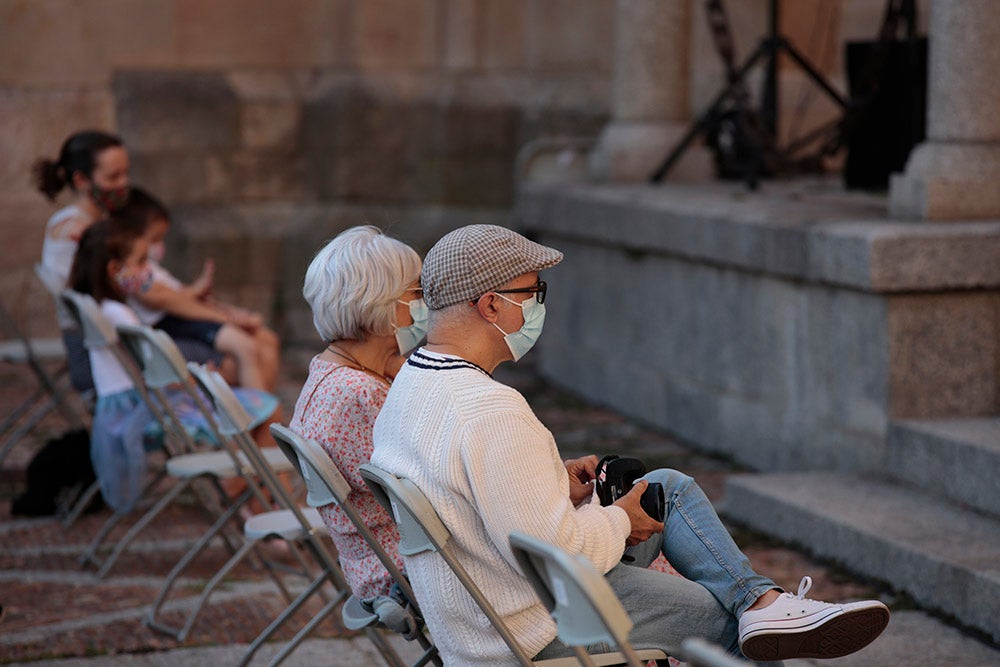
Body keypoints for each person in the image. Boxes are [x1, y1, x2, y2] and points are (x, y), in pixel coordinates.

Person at [370, 224, 890, 665]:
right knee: (725, 621)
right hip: (531, 628)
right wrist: (623, 520)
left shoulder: (407, 392)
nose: (537, 309)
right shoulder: (490, 410)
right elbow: (561, 557)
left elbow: (486, 509)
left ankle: (762, 600)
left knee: (667, 487)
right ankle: (759, 614)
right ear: (491, 305)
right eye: (534, 294)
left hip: (476, 619)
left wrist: (560, 491)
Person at [67, 217, 279, 513]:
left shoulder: (101, 306)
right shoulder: (122, 316)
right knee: (269, 408)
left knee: (257, 406)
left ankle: (255, 495)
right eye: (141, 262)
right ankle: (247, 492)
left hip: (123, 409)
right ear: (115, 270)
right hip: (148, 411)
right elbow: (164, 379)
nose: (147, 271)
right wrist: (204, 378)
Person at [289, 225, 427, 599]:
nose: (423, 305)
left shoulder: (331, 372)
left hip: (371, 564)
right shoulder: (361, 393)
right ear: (380, 302)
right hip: (408, 568)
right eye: (416, 293)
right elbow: (433, 486)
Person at [119, 187, 281, 391]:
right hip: (178, 329)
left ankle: (266, 412)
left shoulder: (146, 268)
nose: (157, 247)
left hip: (189, 324)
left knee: (267, 340)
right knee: (247, 349)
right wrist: (227, 317)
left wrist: (226, 311)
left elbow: (177, 296)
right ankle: (260, 414)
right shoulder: (134, 273)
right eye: (155, 238)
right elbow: (170, 300)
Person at [35, 130, 131, 392]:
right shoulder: (74, 231)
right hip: (99, 347)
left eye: (125, 173)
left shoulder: (96, 223)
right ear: (81, 180)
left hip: (111, 337)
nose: (123, 183)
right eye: (113, 176)